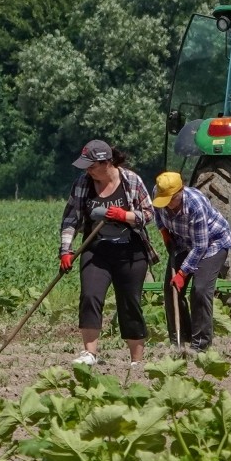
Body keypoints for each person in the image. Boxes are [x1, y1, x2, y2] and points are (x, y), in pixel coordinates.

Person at [57, 139, 158, 367]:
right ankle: (90, 353)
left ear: (106, 162)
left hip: (130, 251)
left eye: (91, 166)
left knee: (129, 302)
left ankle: (136, 360)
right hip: (96, 250)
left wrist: (125, 216)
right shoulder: (83, 183)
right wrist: (66, 250)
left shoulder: (131, 180)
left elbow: (149, 214)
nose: (88, 171)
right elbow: (71, 218)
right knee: (90, 296)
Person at [152, 170, 231, 353]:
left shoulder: (195, 204)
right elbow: (158, 215)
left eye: (170, 200)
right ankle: (180, 340)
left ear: (180, 192)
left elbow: (200, 246)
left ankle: (201, 344)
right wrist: (165, 233)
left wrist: (183, 273)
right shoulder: (159, 193)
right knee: (171, 290)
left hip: (212, 243)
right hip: (182, 242)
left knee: (200, 289)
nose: (165, 204)